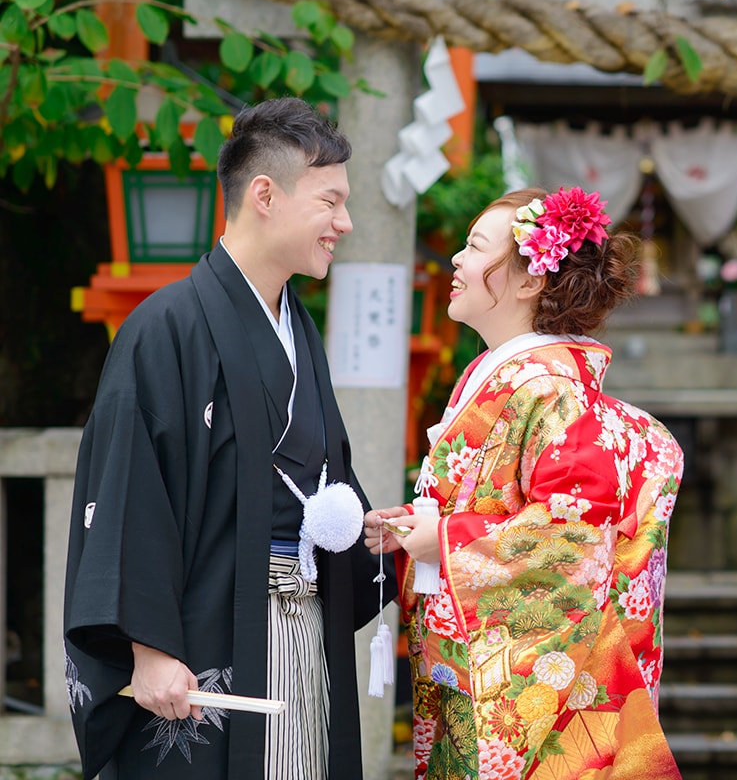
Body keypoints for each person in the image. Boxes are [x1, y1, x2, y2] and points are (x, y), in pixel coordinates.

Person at [63, 97, 395, 780]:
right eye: (330, 202)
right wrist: (146, 646)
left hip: (301, 623)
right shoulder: (166, 327)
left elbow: (320, 485)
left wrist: (379, 539)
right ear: (265, 195)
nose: (345, 223)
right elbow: (129, 486)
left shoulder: (298, 330)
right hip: (206, 629)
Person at [364, 187, 685, 779]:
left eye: (474, 246)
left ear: (530, 282)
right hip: (467, 653)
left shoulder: (546, 384)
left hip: (512, 675)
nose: (456, 260)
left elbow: (572, 534)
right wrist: (422, 531)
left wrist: (450, 539)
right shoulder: (515, 374)